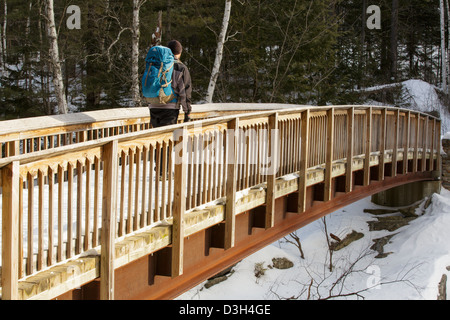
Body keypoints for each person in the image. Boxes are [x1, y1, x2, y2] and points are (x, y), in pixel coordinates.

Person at [148, 40, 192, 128]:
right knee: (167, 139)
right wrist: (187, 112)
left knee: (156, 138)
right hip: (170, 108)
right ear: (180, 52)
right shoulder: (180, 67)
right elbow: (184, 92)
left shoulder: (157, 64)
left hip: (153, 106)